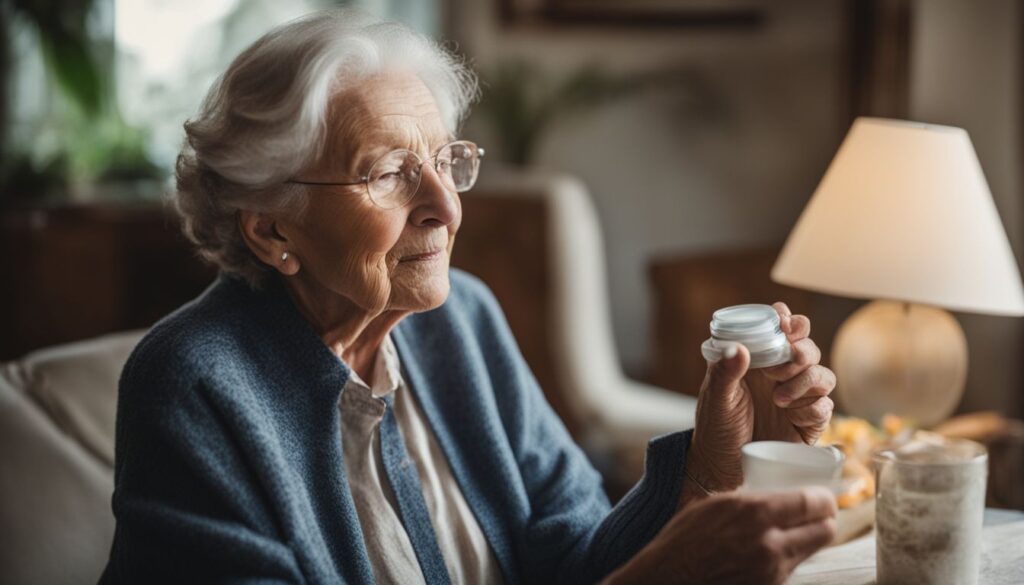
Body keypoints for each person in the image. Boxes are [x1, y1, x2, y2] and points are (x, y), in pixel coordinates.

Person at [99, 10, 837, 585]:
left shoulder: (463, 320)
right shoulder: (194, 386)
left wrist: (712, 470)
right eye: (389, 172)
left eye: (446, 159)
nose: (446, 209)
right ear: (270, 231)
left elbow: (572, 555)